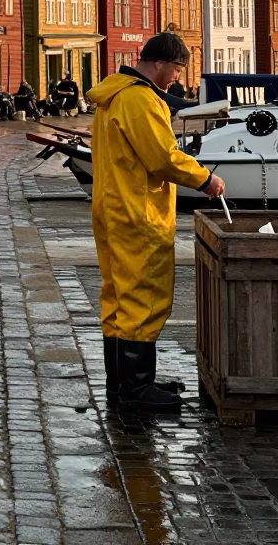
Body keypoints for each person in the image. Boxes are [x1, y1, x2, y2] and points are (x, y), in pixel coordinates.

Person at [87, 32, 225, 411]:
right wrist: (204, 178)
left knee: (116, 296)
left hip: (111, 207)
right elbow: (162, 157)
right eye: (177, 69)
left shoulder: (113, 96)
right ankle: (137, 390)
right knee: (143, 296)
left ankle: (123, 383)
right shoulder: (141, 99)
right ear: (160, 63)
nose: (177, 79)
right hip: (138, 211)